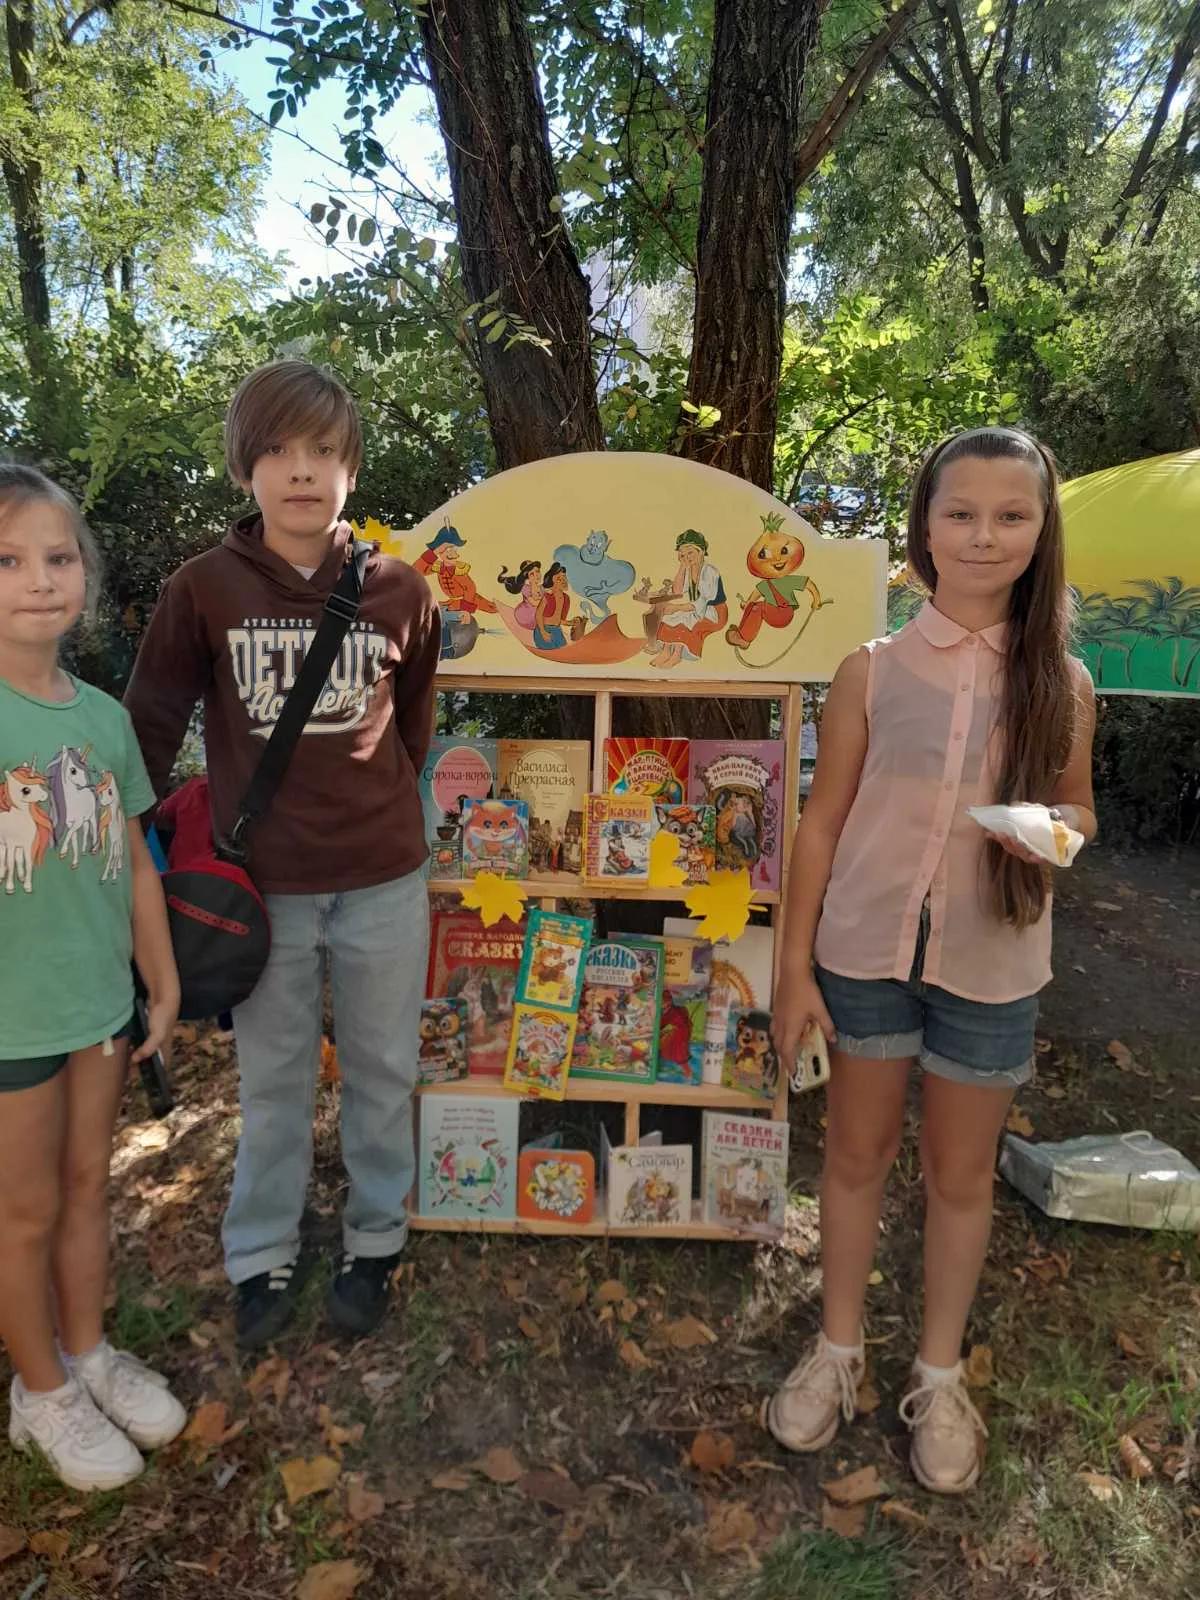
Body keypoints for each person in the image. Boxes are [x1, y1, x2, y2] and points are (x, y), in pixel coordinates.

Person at [768, 427, 1097, 1495]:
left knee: (961, 1177)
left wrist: (1051, 833)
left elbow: (1080, 812)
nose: (983, 535)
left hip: (993, 966)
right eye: (961, 513)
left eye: (1011, 515)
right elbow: (821, 823)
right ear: (924, 526)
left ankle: (939, 1374)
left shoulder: (1066, 682)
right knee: (855, 1155)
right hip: (865, 956)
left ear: (1041, 531)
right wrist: (793, 969)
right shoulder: (869, 672)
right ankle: (838, 1347)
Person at [125, 361, 441, 1349]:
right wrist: (128, 859)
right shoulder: (201, 590)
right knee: (273, 1081)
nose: (301, 470)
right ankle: (262, 1247)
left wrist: (381, 817)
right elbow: (149, 726)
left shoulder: (399, 591)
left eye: (323, 450)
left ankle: (375, 1235)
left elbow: (414, 726)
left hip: (384, 880)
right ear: (244, 468)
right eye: (277, 450)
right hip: (261, 891)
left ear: (351, 468)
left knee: (384, 1067)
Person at [0, 464, 184, 1492]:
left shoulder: (105, 720)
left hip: (98, 1009)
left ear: (86, 574)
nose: (38, 579)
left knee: (85, 1188)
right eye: (7, 560)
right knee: (20, 1211)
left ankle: (88, 1353)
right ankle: (41, 1392)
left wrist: (159, 978)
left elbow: (137, 864)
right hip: (10, 1023)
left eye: (58, 557)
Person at [649, 529, 727, 668]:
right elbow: (678, 590)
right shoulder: (689, 569)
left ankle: (677, 655)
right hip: (696, 608)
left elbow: (703, 601)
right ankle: (666, 651)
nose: (687, 557)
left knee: (683, 617)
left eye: (690, 553)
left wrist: (677, 608)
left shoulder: (710, 571)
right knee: (667, 615)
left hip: (714, 612)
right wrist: (682, 567)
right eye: (682, 554)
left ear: (701, 551)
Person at [533, 562, 571, 651]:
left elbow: (559, 620)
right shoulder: (547, 597)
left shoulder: (566, 598)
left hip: (557, 630)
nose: (563, 581)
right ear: (551, 582)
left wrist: (571, 623)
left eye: (564, 577)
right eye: (559, 579)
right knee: (553, 652)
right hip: (544, 630)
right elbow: (538, 615)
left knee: (564, 651)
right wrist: (543, 632)